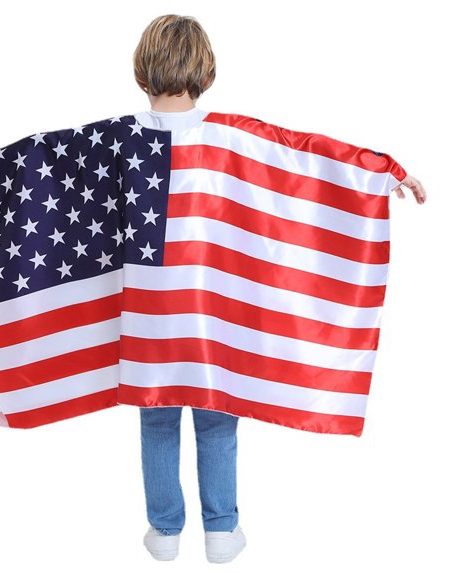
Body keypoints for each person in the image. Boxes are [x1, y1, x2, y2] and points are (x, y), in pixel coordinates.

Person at [128, 13, 427, 565]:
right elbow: (309, 155)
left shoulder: (113, 140)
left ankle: (165, 532)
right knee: (218, 415)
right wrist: (384, 172)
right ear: (206, 74)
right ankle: (221, 531)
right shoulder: (236, 137)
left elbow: (42, 160)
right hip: (212, 312)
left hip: (149, 312)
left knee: (157, 415)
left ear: (140, 73)